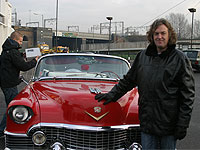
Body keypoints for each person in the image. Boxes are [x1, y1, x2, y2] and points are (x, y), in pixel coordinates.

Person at [95, 18, 195, 149]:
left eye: (163, 33)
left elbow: (188, 95)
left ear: (169, 35)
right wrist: (112, 95)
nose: (159, 37)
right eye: (156, 34)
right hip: (147, 124)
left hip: (169, 126)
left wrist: (183, 124)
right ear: (152, 36)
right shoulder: (142, 56)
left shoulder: (179, 59)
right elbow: (128, 80)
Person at [0, 31, 39, 137]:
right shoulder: (13, 51)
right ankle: (2, 130)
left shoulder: (7, 50)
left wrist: (22, 55)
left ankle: (4, 129)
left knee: (11, 106)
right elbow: (23, 66)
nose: (21, 44)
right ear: (15, 40)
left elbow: (14, 61)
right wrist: (35, 61)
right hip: (10, 84)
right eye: (20, 41)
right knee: (12, 108)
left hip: (6, 82)